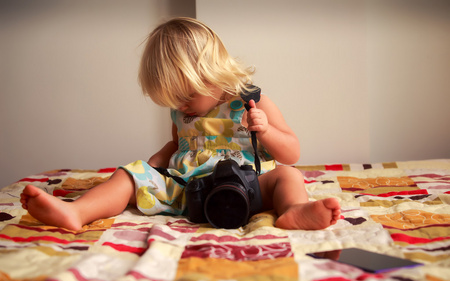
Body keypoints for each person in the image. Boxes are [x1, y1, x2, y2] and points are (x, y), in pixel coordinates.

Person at [20, 17, 341, 231]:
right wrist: (150, 167)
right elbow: (177, 145)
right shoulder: (182, 112)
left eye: (185, 95)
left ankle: (294, 212)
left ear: (213, 73)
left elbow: (292, 153)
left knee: (288, 175)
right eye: (172, 100)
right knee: (126, 175)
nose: (180, 106)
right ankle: (77, 212)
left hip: (246, 185)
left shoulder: (250, 102)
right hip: (188, 188)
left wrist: (267, 130)